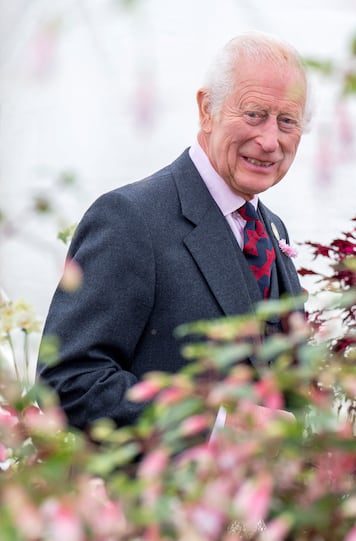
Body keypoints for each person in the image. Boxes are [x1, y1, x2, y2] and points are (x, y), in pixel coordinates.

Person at [38, 31, 308, 430]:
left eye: (287, 121)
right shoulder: (130, 219)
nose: (270, 140)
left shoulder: (272, 226)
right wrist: (216, 428)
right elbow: (68, 382)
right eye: (254, 114)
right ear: (206, 110)